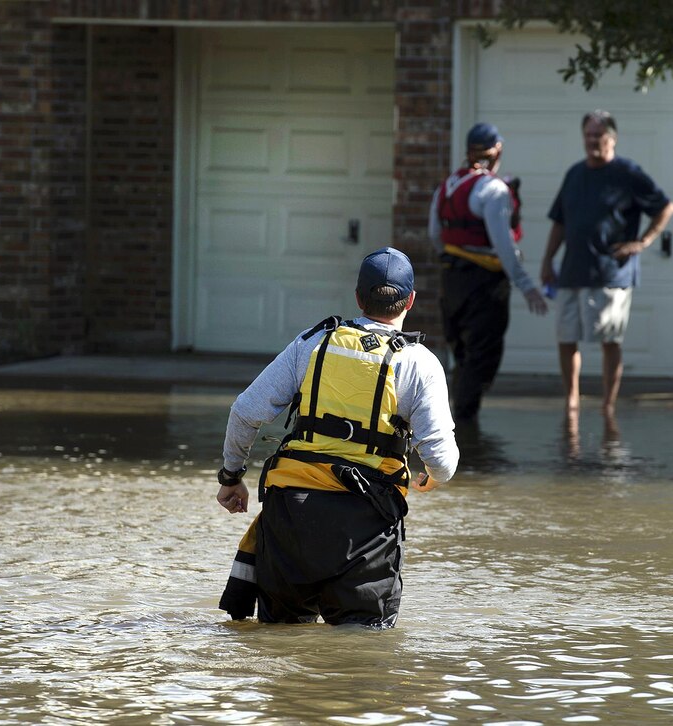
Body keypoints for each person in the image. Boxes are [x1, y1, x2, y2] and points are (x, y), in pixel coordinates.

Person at [215, 247, 459, 629]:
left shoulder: (312, 343)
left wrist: (232, 477)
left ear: (358, 297)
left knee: (279, 644)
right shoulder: (419, 363)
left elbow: (245, 412)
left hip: (290, 514)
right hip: (367, 526)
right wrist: (429, 476)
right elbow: (443, 461)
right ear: (410, 300)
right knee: (362, 655)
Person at [540, 109, 673, 426]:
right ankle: (572, 400)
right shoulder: (575, 174)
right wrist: (548, 260)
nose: (592, 141)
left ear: (612, 139)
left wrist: (642, 242)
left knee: (610, 340)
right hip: (573, 269)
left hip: (611, 273)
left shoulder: (627, 173)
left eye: (598, 135)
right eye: (587, 134)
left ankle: (607, 405)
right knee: (566, 337)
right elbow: (560, 222)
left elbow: (665, 207)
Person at [429, 122, 548, 422]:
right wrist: (526, 286)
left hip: (452, 281)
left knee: (463, 355)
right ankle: (464, 433)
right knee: (482, 358)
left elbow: (435, 234)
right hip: (484, 286)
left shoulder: (446, 187)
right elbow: (504, 246)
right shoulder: (494, 190)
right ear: (497, 151)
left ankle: (459, 424)